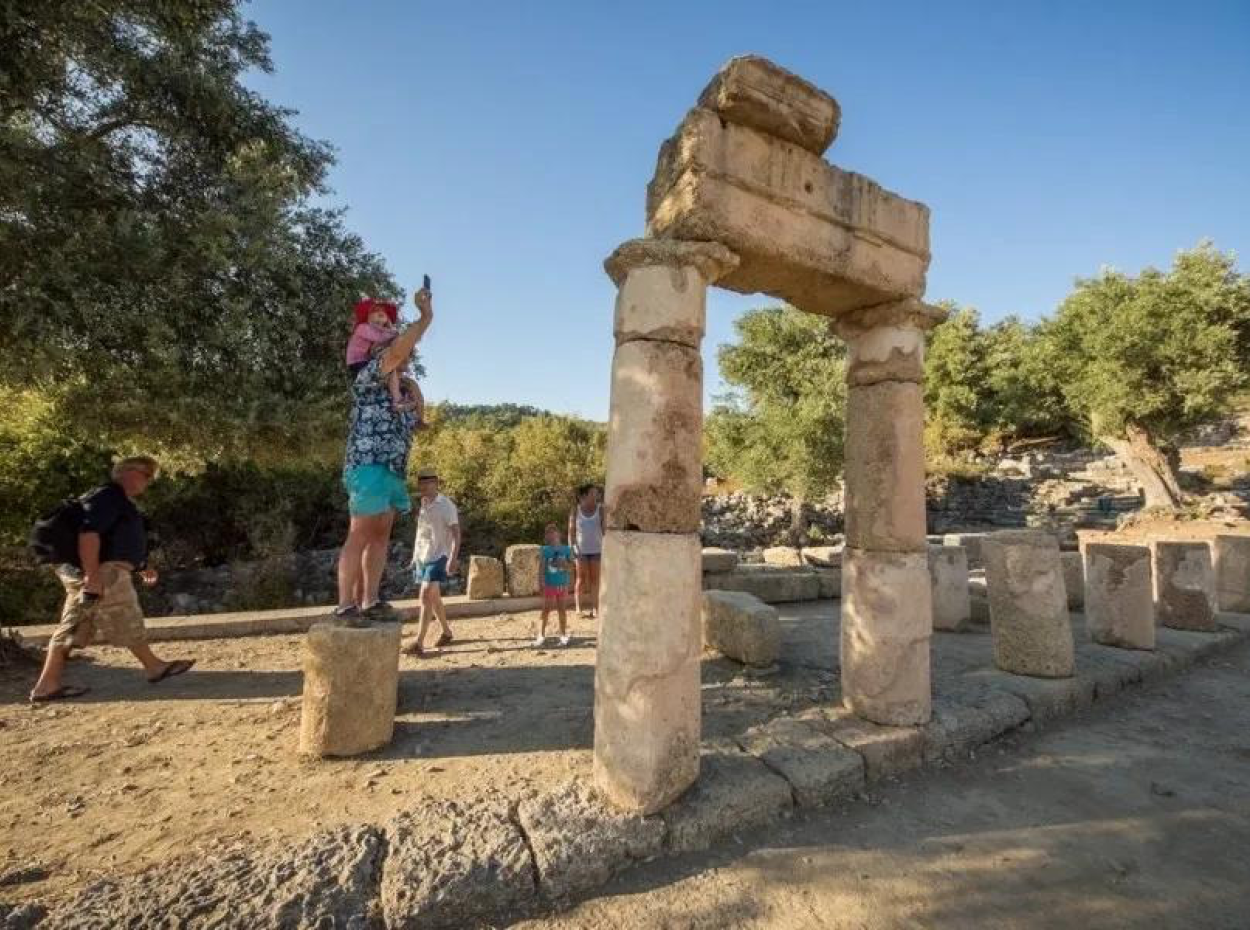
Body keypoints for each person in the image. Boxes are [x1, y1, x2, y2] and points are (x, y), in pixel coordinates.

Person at [29, 457, 196, 702]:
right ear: (127, 472)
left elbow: (116, 540)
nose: (149, 481)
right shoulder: (108, 496)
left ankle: (47, 685)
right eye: (146, 474)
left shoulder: (112, 499)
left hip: (100, 571)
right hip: (102, 573)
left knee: (79, 624)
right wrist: (92, 576)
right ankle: (153, 667)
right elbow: (88, 535)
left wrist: (140, 566)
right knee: (106, 618)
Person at [335, 286, 433, 623]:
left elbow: (416, 421)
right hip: (368, 463)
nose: (404, 355)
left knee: (380, 535)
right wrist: (426, 318)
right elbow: (399, 347)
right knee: (360, 532)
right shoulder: (369, 374)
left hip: (392, 469)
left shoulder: (399, 392)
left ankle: (370, 600)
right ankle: (346, 604)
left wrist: (414, 394)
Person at [403, 470, 461, 656]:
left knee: (426, 594)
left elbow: (456, 533)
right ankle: (447, 632)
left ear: (436, 483)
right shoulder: (424, 504)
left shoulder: (446, 505)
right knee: (433, 597)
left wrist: (452, 557)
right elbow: (422, 533)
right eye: (422, 484)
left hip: (440, 555)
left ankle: (419, 642)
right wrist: (414, 557)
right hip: (423, 557)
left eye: (429, 483)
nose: (425, 487)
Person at [346, 297, 425, 419]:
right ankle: (397, 399)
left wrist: (389, 327)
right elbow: (381, 338)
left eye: (383, 315)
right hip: (357, 362)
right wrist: (394, 332)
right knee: (390, 369)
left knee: (391, 371)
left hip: (365, 361)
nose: (380, 315)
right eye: (376, 312)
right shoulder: (362, 328)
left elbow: (385, 337)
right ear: (368, 317)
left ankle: (403, 403)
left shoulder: (377, 330)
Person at [568, 484, 604, 618]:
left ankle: (595, 608)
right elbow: (571, 532)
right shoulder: (575, 510)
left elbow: (605, 529)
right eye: (593, 493)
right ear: (584, 496)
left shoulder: (600, 509)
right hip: (580, 550)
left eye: (596, 494)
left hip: (597, 550)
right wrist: (572, 549)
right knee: (581, 579)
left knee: (595, 580)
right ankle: (578, 608)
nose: (596, 496)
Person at [536, 522, 573, 648]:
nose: (551, 534)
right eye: (548, 532)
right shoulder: (545, 550)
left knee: (562, 610)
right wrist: (540, 583)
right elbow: (541, 568)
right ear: (546, 536)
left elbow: (571, 568)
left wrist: (564, 564)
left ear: (559, 534)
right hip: (549, 585)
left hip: (562, 585)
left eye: (553, 531)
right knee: (546, 610)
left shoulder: (567, 549)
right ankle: (541, 635)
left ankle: (563, 634)